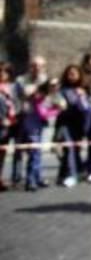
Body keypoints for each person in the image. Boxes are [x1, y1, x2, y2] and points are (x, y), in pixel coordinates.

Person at [10, 56, 48, 186]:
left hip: (37, 119)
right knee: (19, 149)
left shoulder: (45, 80)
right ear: (30, 66)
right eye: (34, 65)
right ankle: (17, 177)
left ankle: (34, 178)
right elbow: (24, 93)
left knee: (35, 149)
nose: (37, 68)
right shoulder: (21, 80)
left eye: (40, 66)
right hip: (22, 117)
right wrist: (38, 86)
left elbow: (50, 97)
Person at [18, 78, 61, 191]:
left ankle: (36, 178)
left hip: (37, 127)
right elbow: (42, 113)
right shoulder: (38, 96)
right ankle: (31, 181)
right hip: (32, 128)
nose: (55, 88)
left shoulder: (45, 96)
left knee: (37, 154)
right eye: (53, 86)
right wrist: (56, 110)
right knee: (34, 155)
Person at [55, 64, 91, 187]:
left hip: (79, 123)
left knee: (75, 149)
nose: (71, 76)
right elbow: (60, 102)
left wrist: (81, 96)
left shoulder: (84, 90)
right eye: (69, 74)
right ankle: (71, 175)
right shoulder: (63, 90)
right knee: (69, 147)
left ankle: (64, 174)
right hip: (65, 122)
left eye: (74, 74)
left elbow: (86, 108)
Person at [0, 62, 18, 191]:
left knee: (2, 153)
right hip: (2, 123)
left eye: (5, 71)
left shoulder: (12, 88)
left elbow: (16, 103)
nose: (2, 73)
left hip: (11, 124)